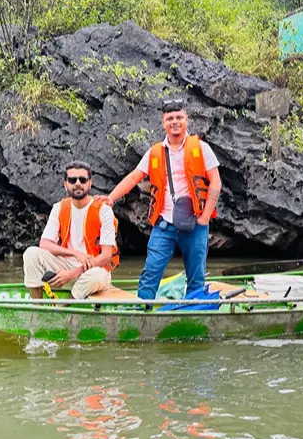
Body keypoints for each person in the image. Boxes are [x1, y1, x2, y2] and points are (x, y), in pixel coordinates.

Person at [98, 98, 222, 300]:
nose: (175, 122)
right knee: (151, 271)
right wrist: (111, 198)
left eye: (179, 117)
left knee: (196, 276)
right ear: (163, 122)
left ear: (186, 120)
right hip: (164, 224)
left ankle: (193, 309)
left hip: (195, 223)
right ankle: (143, 308)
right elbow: (134, 177)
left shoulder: (201, 148)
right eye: (170, 118)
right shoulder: (155, 152)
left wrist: (205, 217)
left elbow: (215, 182)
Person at [23, 161, 119, 299]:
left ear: (90, 183)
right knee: (31, 253)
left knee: (97, 275)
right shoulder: (59, 207)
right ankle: (37, 305)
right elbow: (44, 244)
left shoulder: (104, 210)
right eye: (72, 180)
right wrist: (75, 253)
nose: (78, 183)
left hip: (93, 270)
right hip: (65, 266)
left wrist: (72, 274)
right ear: (65, 184)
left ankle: (65, 306)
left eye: (83, 179)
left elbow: (106, 256)